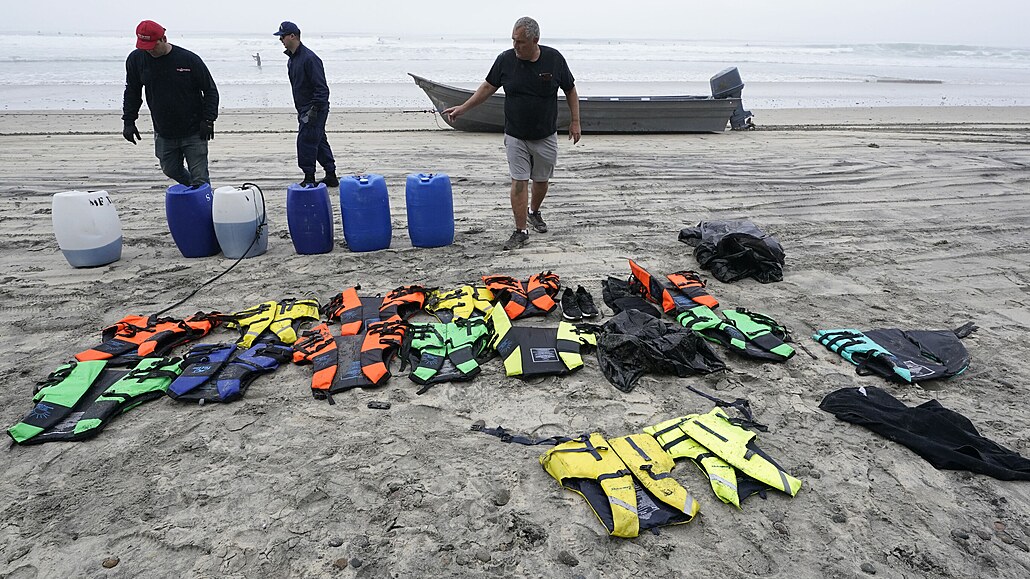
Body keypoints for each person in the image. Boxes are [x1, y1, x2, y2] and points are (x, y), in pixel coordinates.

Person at [443, 17, 580, 251]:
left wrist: (575, 121)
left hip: (545, 134)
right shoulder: (505, 60)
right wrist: (463, 108)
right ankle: (520, 231)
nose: (515, 46)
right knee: (519, 181)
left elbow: (570, 89)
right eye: (513, 40)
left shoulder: (554, 59)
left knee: (541, 181)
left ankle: (534, 213)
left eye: (521, 42)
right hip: (516, 134)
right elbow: (487, 87)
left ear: (535, 40)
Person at [122, 20, 219, 187]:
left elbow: (210, 90)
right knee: (170, 169)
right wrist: (129, 121)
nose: (149, 50)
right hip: (163, 130)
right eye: (144, 46)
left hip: (194, 130)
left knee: (200, 178)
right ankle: (195, 191)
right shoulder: (136, 59)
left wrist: (209, 120)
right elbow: (132, 91)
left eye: (153, 45)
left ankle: (204, 203)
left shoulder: (189, 59)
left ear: (163, 39)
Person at [274, 21, 338, 187]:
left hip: (314, 108)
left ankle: (309, 177)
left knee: (306, 141)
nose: (281, 39)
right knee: (319, 140)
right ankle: (330, 174)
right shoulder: (292, 60)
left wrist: (314, 110)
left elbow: (322, 88)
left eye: (283, 36)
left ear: (293, 36)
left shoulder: (310, 59)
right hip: (303, 108)